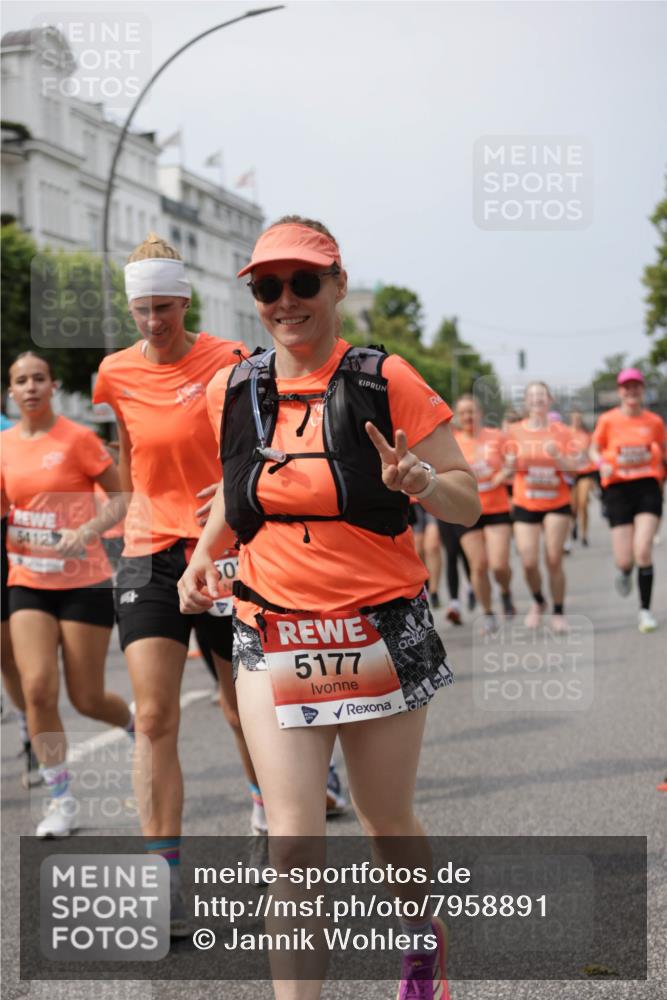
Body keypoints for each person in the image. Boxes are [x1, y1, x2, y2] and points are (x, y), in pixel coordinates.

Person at [178, 216, 480, 999]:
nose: (285, 300)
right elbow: (237, 488)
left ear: (338, 285)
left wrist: (418, 482)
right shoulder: (235, 386)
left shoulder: (388, 378)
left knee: (386, 822)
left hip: (378, 627)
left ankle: (422, 943)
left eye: (303, 282)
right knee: (293, 840)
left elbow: (467, 503)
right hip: (270, 629)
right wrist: (204, 556)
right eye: (267, 287)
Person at [92, 232, 271, 933]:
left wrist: (237, 491)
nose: (155, 322)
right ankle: (163, 881)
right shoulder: (113, 373)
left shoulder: (229, 358)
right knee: (156, 716)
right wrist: (131, 506)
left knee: (237, 709)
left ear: (185, 300)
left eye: (166, 307)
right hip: (148, 553)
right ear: (131, 308)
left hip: (224, 551)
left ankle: (266, 808)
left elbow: (263, 441)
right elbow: (132, 451)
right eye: (144, 310)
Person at [1, 353, 133, 835]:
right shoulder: (4, 447)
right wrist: (20, 541)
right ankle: (61, 800)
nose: (31, 387)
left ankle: (136, 726)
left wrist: (88, 530)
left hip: (84, 581)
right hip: (29, 582)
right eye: (21, 381)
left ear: (53, 386)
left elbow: (120, 496)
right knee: (36, 688)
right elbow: (4, 519)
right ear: (11, 392)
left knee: (87, 698)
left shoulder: (77, 438)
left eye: (38, 378)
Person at [590, 368, 666, 633]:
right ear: (620, 391)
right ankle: (624, 572)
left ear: (642, 390)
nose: (631, 391)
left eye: (636, 386)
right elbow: (594, 447)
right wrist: (601, 464)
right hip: (618, 490)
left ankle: (645, 611)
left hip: (647, 487)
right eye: (626, 387)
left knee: (643, 549)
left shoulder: (654, 421)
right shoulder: (608, 420)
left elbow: (663, 450)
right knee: (624, 560)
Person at [505, 382, 582, 631]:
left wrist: (558, 456)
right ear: (526, 402)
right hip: (525, 501)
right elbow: (506, 468)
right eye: (532, 396)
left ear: (550, 400)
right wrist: (509, 462)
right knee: (528, 561)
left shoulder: (562, 431)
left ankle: (559, 612)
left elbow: (574, 470)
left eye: (542, 395)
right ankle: (539, 601)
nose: (537, 399)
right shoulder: (514, 431)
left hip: (556, 502)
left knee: (553, 559)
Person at [453, 394, 515, 632]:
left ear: (480, 413)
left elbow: (512, 458)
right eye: (464, 413)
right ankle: (488, 613)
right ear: (458, 417)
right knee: (478, 566)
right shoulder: (453, 442)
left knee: (498, 565)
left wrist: (505, 471)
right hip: (467, 511)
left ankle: (506, 590)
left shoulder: (496, 437)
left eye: (472, 411)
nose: (468, 416)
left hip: (496, 507)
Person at [568, 410, 598, 547]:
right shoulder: (565, 434)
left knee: (583, 503)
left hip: (585, 473)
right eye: (574, 419)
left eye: (578, 418)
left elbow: (593, 453)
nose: (576, 421)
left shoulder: (587, 435)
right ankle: (574, 524)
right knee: (573, 507)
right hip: (570, 474)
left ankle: (584, 534)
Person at [410, 502, 444, 608]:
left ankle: (434, 592)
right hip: (410, 503)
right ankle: (426, 585)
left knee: (432, 546)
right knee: (418, 550)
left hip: (430, 497)